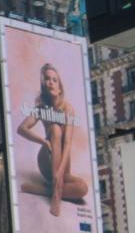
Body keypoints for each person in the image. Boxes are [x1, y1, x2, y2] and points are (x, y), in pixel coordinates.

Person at [17, 63, 89, 217]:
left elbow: (68, 143)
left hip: (62, 164)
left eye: (54, 80)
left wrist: (60, 173)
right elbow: (21, 129)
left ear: (60, 87)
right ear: (44, 84)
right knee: (55, 129)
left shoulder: (68, 109)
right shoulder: (41, 108)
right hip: (46, 159)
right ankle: (55, 195)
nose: (51, 82)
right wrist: (43, 141)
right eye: (47, 79)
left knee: (83, 188)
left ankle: (43, 190)